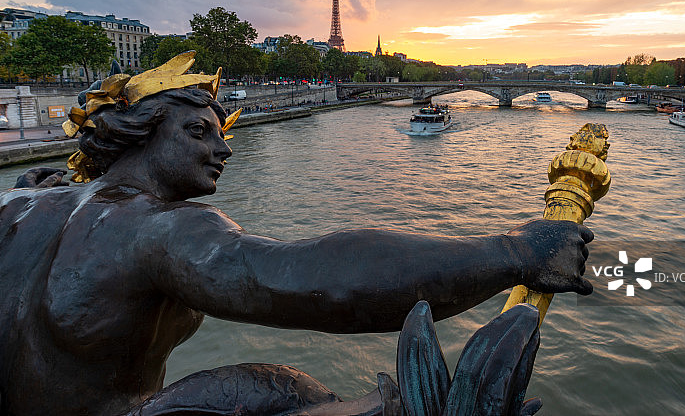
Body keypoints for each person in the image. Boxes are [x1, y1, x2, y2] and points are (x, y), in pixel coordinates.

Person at [0, 53, 593, 415]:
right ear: (145, 130)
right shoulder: (155, 230)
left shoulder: (23, 203)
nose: (223, 147)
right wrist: (514, 251)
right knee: (289, 394)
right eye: (200, 131)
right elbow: (318, 280)